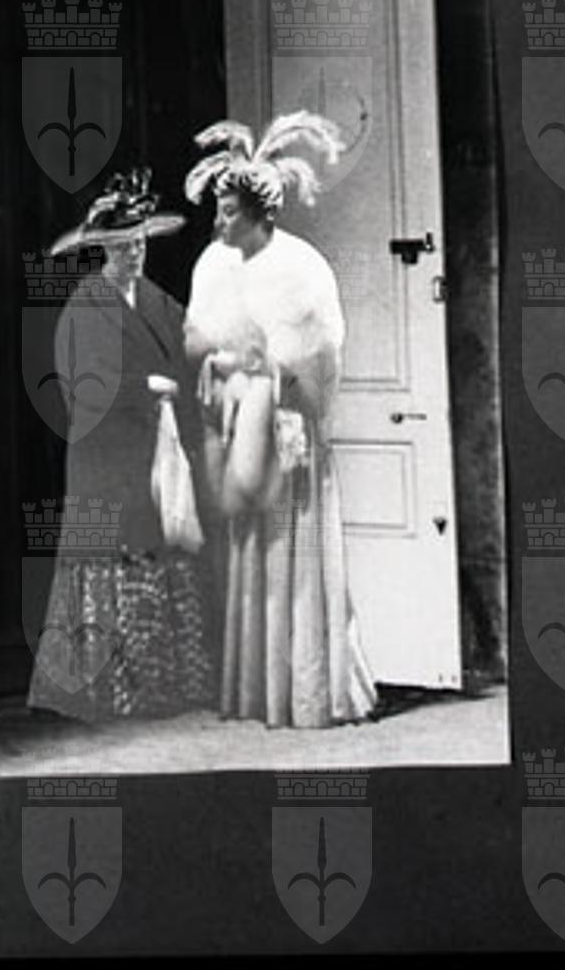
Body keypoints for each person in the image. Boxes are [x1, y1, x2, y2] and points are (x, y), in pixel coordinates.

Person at [183, 114, 379, 728]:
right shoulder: (214, 265)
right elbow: (197, 338)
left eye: (229, 213)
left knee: (294, 548)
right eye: (217, 213)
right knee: (251, 550)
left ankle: (310, 690)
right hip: (243, 420)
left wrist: (266, 367)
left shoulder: (300, 267)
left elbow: (316, 358)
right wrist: (222, 363)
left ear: (259, 214)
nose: (219, 225)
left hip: (287, 427)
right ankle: (256, 690)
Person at [26, 166, 217, 723]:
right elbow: (81, 385)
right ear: (102, 250)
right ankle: (106, 689)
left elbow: (191, 339)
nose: (133, 254)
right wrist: (143, 386)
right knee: (110, 556)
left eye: (138, 244)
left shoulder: (153, 298)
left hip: (153, 447)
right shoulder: (86, 304)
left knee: (159, 546)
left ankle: (160, 685)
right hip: (105, 455)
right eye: (121, 246)